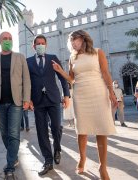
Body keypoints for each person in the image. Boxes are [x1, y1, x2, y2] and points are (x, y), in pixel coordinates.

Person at [52, 30, 117, 180]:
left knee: (101, 130)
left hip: (98, 92)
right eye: (71, 40)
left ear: (84, 38)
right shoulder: (72, 57)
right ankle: (82, 158)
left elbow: (106, 73)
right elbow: (71, 79)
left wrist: (111, 93)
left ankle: (103, 167)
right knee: (81, 130)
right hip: (80, 95)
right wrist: (60, 70)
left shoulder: (97, 52)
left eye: (76, 39)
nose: (74, 42)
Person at [0, 31, 31, 179]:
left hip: (16, 102)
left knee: (13, 134)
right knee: (4, 134)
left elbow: (26, 79)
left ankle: (10, 167)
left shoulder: (20, 57)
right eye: (5, 38)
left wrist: (26, 98)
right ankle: (14, 156)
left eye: (10, 39)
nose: (7, 40)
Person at [26, 34, 70, 176]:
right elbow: (26, 82)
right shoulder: (28, 62)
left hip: (53, 98)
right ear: (33, 46)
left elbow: (62, 77)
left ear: (46, 45)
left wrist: (66, 95)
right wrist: (28, 99)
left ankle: (57, 148)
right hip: (38, 101)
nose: (40, 45)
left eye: (42, 43)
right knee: (41, 131)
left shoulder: (53, 58)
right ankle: (48, 160)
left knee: (56, 126)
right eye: (37, 43)